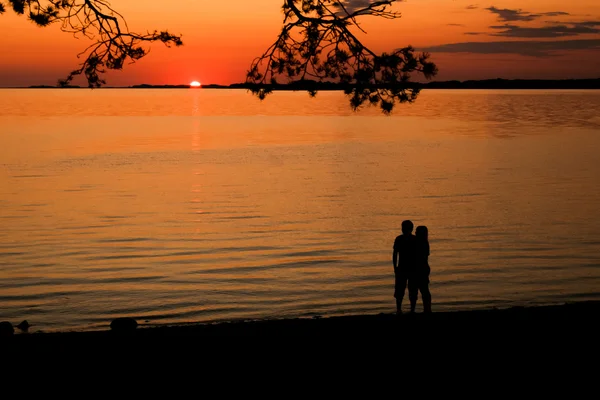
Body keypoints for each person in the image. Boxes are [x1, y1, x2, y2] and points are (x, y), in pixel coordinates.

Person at [393, 220, 417, 315]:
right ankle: (401, 309)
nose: (403, 230)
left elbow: (395, 254)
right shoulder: (402, 239)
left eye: (404, 228)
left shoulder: (403, 239)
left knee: (411, 289)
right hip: (404, 268)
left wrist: (395, 267)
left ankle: (410, 309)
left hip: (409, 268)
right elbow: (395, 254)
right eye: (403, 228)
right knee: (401, 290)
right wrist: (395, 267)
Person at [414, 226, 432, 313]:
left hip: (421, 268)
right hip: (424, 268)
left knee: (424, 289)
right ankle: (427, 309)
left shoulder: (422, 243)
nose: (415, 233)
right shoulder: (424, 242)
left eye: (416, 232)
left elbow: (422, 257)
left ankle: (427, 309)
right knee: (424, 289)